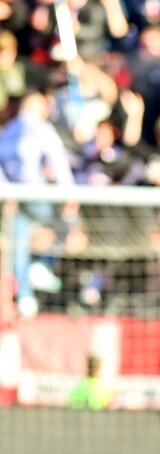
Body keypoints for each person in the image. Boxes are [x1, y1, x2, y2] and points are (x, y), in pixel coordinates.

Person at [0, 91, 76, 318]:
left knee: (19, 244)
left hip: (14, 196)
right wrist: (70, 194)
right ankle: (44, 263)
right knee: (66, 223)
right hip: (35, 193)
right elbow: (58, 161)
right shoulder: (41, 129)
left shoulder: (8, 131)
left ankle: (25, 297)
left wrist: (7, 194)